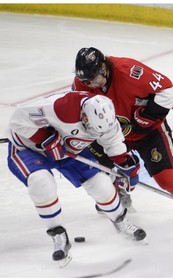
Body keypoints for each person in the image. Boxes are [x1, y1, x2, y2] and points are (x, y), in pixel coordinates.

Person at [72, 47, 173, 230]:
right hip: (107, 134)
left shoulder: (129, 71)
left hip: (147, 133)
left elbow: (167, 90)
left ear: (103, 68)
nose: (90, 84)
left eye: (93, 79)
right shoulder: (82, 82)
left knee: (168, 179)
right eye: (86, 80)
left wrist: (144, 118)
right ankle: (118, 193)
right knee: (95, 170)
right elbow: (77, 111)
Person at [7, 91, 146, 267]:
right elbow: (17, 118)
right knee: (41, 182)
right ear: (84, 116)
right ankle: (57, 234)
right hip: (28, 147)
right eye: (92, 128)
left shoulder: (106, 120)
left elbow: (113, 142)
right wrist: (44, 139)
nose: (95, 133)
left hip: (69, 149)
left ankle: (121, 221)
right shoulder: (61, 107)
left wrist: (126, 165)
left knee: (102, 185)